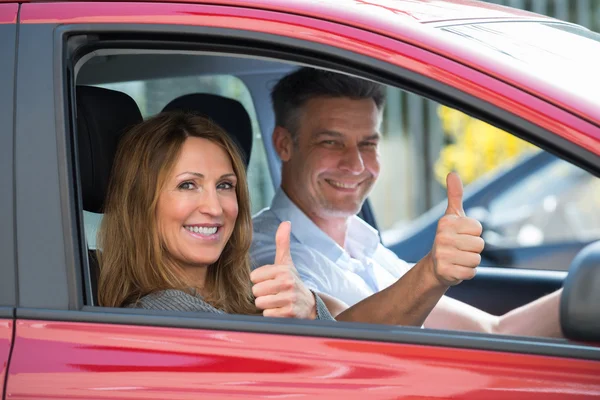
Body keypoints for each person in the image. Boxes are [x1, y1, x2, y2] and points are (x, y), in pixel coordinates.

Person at [251, 67, 563, 337]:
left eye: (368, 143)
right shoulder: (264, 255)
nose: (357, 165)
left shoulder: (366, 247)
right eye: (331, 142)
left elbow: (494, 332)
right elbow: (341, 343)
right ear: (284, 144)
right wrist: (430, 273)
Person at [97, 111, 333, 320]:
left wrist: (309, 308)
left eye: (224, 186)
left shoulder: (249, 296)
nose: (215, 208)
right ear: (141, 202)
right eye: (187, 185)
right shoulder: (162, 314)